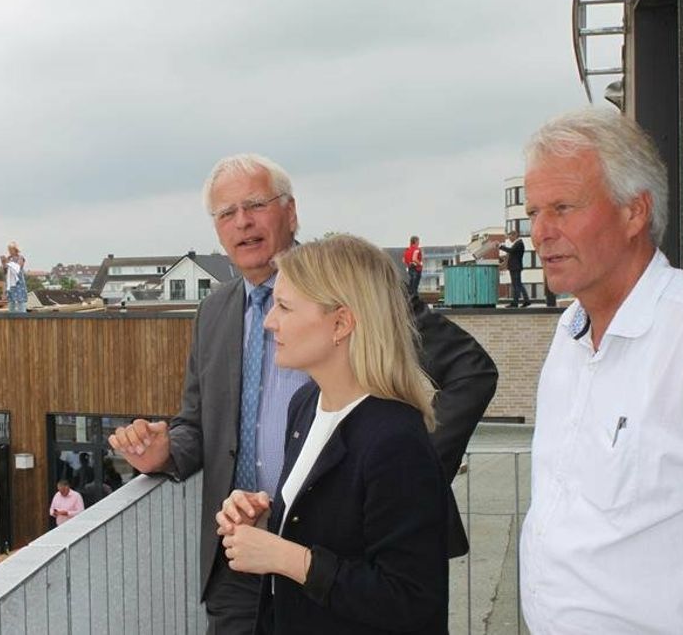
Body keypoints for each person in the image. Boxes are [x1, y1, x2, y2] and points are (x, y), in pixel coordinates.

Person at [108, 153, 496, 634]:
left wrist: (405, 469)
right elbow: (200, 425)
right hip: (246, 554)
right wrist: (164, 453)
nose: (242, 222)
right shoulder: (216, 315)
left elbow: (471, 372)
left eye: (254, 205)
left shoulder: (352, 285)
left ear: (291, 212)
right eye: (226, 213)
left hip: (343, 556)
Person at [519, 107, 683, 633]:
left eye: (563, 207)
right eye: (533, 211)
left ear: (634, 212)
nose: (540, 232)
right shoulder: (569, 334)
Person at [216, 234, 448, 634]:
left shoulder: (395, 440)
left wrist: (286, 557)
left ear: (340, 323)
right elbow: (332, 529)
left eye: (285, 307)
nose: (270, 321)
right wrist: (266, 521)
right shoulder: (306, 405)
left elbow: (411, 600)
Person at [497, 229, 530, 307]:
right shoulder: (517, 243)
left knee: (516, 285)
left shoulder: (519, 243)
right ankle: (526, 300)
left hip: (515, 267)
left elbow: (511, 251)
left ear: (515, 235)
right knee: (518, 284)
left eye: (510, 237)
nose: (510, 239)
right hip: (515, 267)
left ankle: (515, 303)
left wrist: (500, 246)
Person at [0, 241, 27, 313]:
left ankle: (22, 315)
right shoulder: (9, 258)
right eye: (9, 250)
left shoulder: (20, 258)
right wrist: (3, 263)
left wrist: (8, 263)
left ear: (15, 249)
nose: (10, 251)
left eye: (11, 249)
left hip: (18, 282)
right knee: (11, 301)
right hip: (11, 282)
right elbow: (5, 271)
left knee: (20, 300)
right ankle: (12, 315)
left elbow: (17, 268)